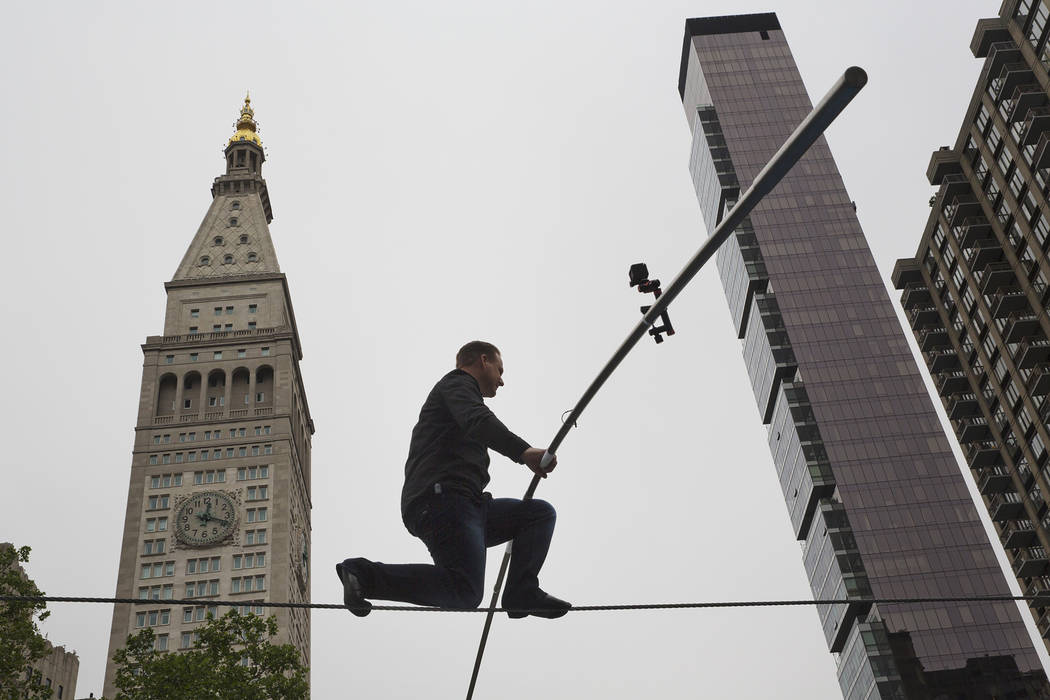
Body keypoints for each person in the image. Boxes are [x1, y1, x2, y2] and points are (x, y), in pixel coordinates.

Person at [336, 340, 570, 619]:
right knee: (465, 591)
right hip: (443, 499)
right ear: (483, 361)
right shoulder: (456, 385)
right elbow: (477, 420)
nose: (502, 381)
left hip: (467, 504)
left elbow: (475, 422)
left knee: (538, 514)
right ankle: (362, 575)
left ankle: (521, 592)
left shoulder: (460, 396)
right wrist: (523, 452)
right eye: (500, 369)